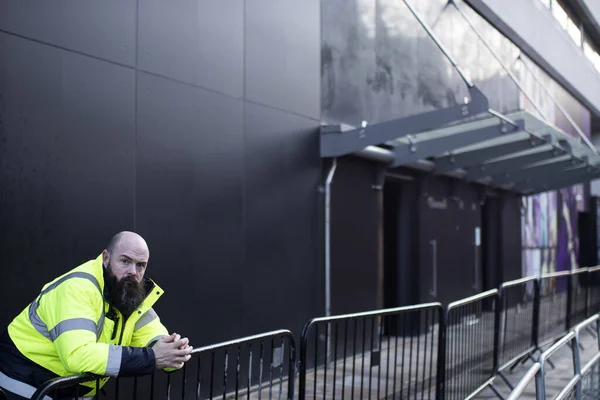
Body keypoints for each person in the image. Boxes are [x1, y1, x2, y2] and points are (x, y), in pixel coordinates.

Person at [0, 231, 193, 399]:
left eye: (140, 265)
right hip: (23, 382)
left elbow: (153, 338)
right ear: (106, 258)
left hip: (61, 389)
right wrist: (152, 358)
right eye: (125, 261)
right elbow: (78, 355)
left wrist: (173, 351)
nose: (133, 272)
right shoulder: (78, 288)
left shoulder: (128, 295)